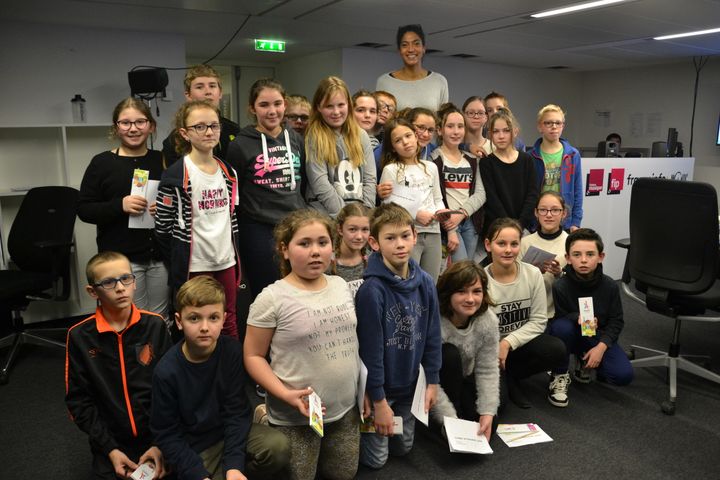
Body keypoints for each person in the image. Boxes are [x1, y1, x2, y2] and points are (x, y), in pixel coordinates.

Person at [244, 209, 363, 480]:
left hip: (344, 407)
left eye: (323, 242)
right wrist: (284, 395)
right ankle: (265, 416)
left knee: (343, 474)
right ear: (285, 250)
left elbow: (353, 344)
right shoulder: (272, 298)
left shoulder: (340, 285)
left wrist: (363, 392)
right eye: (304, 243)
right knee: (301, 476)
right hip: (297, 413)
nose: (316, 251)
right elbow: (252, 356)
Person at [151, 276, 289, 480]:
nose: (205, 327)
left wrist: (234, 466)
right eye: (194, 318)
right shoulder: (166, 371)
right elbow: (166, 433)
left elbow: (236, 411)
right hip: (193, 446)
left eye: (213, 318)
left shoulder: (232, 352)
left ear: (224, 319)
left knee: (279, 448)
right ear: (179, 321)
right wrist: (197, 473)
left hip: (228, 433)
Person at [65, 251, 172, 479]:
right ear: (93, 292)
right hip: (111, 442)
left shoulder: (155, 325)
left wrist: (159, 443)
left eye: (126, 278)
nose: (121, 288)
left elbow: (173, 390)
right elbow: (78, 402)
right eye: (108, 282)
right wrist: (110, 449)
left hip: (158, 435)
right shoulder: (80, 336)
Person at [355, 203, 441, 469]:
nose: (400, 244)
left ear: (415, 236)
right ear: (374, 243)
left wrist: (432, 381)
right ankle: (354, 424)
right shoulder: (372, 291)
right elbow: (370, 352)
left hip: (410, 386)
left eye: (405, 236)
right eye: (390, 238)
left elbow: (432, 334)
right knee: (377, 461)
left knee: (403, 449)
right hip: (382, 389)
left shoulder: (425, 281)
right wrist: (378, 400)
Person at [78, 98, 170, 321]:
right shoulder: (101, 163)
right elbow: (84, 209)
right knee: (128, 319)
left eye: (140, 122)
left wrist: (166, 207)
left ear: (151, 126)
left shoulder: (163, 161)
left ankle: (157, 356)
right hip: (122, 261)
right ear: (116, 127)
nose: (133, 128)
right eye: (126, 123)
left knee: (159, 320)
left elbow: (178, 199)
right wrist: (120, 205)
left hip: (159, 257)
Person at [155, 100, 241, 339]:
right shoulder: (174, 175)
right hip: (194, 265)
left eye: (214, 125)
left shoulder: (229, 173)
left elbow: (232, 219)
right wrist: (178, 259)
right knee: (195, 322)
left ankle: (229, 371)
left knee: (228, 319)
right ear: (185, 133)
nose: (209, 132)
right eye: (200, 127)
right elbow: (162, 229)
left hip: (225, 261)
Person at [225, 79, 306, 301]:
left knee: (297, 287)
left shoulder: (296, 138)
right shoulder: (240, 145)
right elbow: (235, 192)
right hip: (258, 229)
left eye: (277, 104)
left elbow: (304, 183)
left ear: (285, 104)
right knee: (267, 292)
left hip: (293, 224)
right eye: (264, 105)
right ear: (252, 108)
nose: (272, 111)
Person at [483, 218, 566, 408]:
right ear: (488, 245)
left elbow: (538, 321)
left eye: (514, 244)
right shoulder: (480, 279)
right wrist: (497, 347)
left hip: (517, 344)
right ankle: (503, 378)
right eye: (501, 243)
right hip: (489, 349)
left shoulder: (533, 274)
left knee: (556, 349)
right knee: (498, 406)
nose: (508, 250)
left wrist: (507, 343)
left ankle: (512, 375)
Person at [547, 229, 634, 407]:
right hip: (570, 333)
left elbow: (616, 321)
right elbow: (560, 317)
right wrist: (576, 317)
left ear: (601, 257)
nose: (584, 260)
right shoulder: (561, 286)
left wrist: (601, 348)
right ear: (568, 258)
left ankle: (585, 360)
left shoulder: (610, 286)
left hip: (597, 336)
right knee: (561, 327)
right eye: (577, 255)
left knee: (622, 376)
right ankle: (560, 374)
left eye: (590, 254)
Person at [434, 261, 499, 442]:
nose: (470, 299)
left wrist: (487, 412)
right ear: (448, 293)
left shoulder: (488, 321)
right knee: (449, 354)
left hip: (466, 376)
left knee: (489, 424)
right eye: (461, 291)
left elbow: (488, 369)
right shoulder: (435, 322)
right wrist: (449, 421)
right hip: (437, 382)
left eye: (476, 291)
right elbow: (427, 378)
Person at [378, 118, 447, 282]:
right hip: (407, 234)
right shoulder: (391, 170)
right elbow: (387, 206)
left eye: (408, 136)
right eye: (398, 140)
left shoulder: (431, 167)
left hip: (433, 232)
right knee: (408, 280)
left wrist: (442, 212)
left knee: (431, 282)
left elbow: (437, 198)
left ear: (416, 137)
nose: (405, 142)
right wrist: (416, 214)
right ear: (393, 148)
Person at [304, 76, 377, 217]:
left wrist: (366, 212)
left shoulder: (361, 135)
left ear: (349, 105)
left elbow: (370, 178)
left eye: (341, 105)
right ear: (318, 107)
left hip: (360, 216)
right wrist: (345, 217)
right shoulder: (314, 136)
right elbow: (320, 183)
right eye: (329, 106)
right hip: (326, 215)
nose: (336, 112)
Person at [430, 103, 486, 263]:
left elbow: (481, 193)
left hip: (470, 221)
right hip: (448, 223)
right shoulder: (434, 159)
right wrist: (451, 227)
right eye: (450, 126)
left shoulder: (473, 160)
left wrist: (463, 213)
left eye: (460, 126)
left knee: (467, 270)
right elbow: (434, 196)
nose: (456, 131)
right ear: (440, 130)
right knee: (460, 270)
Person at [162, 65, 240, 165]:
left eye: (212, 86)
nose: (208, 92)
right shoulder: (176, 139)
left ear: (220, 93)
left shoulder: (234, 130)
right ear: (188, 95)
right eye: (199, 87)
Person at [479, 108, 538, 239]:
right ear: (490, 134)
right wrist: (510, 227)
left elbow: (532, 195)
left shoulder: (527, 160)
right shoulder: (486, 163)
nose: (501, 136)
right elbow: (492, 199)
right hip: (497, 229)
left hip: (523, 228)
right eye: (496, 131)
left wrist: (520, 224)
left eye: (506, 130)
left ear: (515, 132)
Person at [530, 104, 583, 231]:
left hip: (564, 220)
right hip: (538, 220)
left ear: (562, 126)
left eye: (558, 123)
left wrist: (576, 221)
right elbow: (528, 194)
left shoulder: (573, 155)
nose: (554, 126)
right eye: (548, 123)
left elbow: (577, 190)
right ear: (540, 127)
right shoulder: (530, 156)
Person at [520, 191, 569, 320]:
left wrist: (560, 274)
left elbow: (578, 284)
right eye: (543, 210)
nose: (548, 215)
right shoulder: (524, 243)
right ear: (536, 213)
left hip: (559, 310)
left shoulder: (571, 243)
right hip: (528, 311)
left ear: (563, 213)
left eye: (555, 210)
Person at [376, 24, 449, 111]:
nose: (410, 49)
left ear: (424, 48)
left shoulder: (439, 81)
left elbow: (444, 120)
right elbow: (380, 118)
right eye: (404, 45)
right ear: (399, 50)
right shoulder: (385, 82)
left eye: (416, 44)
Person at [328, 202, 371, 297]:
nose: (359, 236)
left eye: (365, 229)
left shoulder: (373, 261)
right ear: (340, 229)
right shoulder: (326, 263)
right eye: (352, 229)